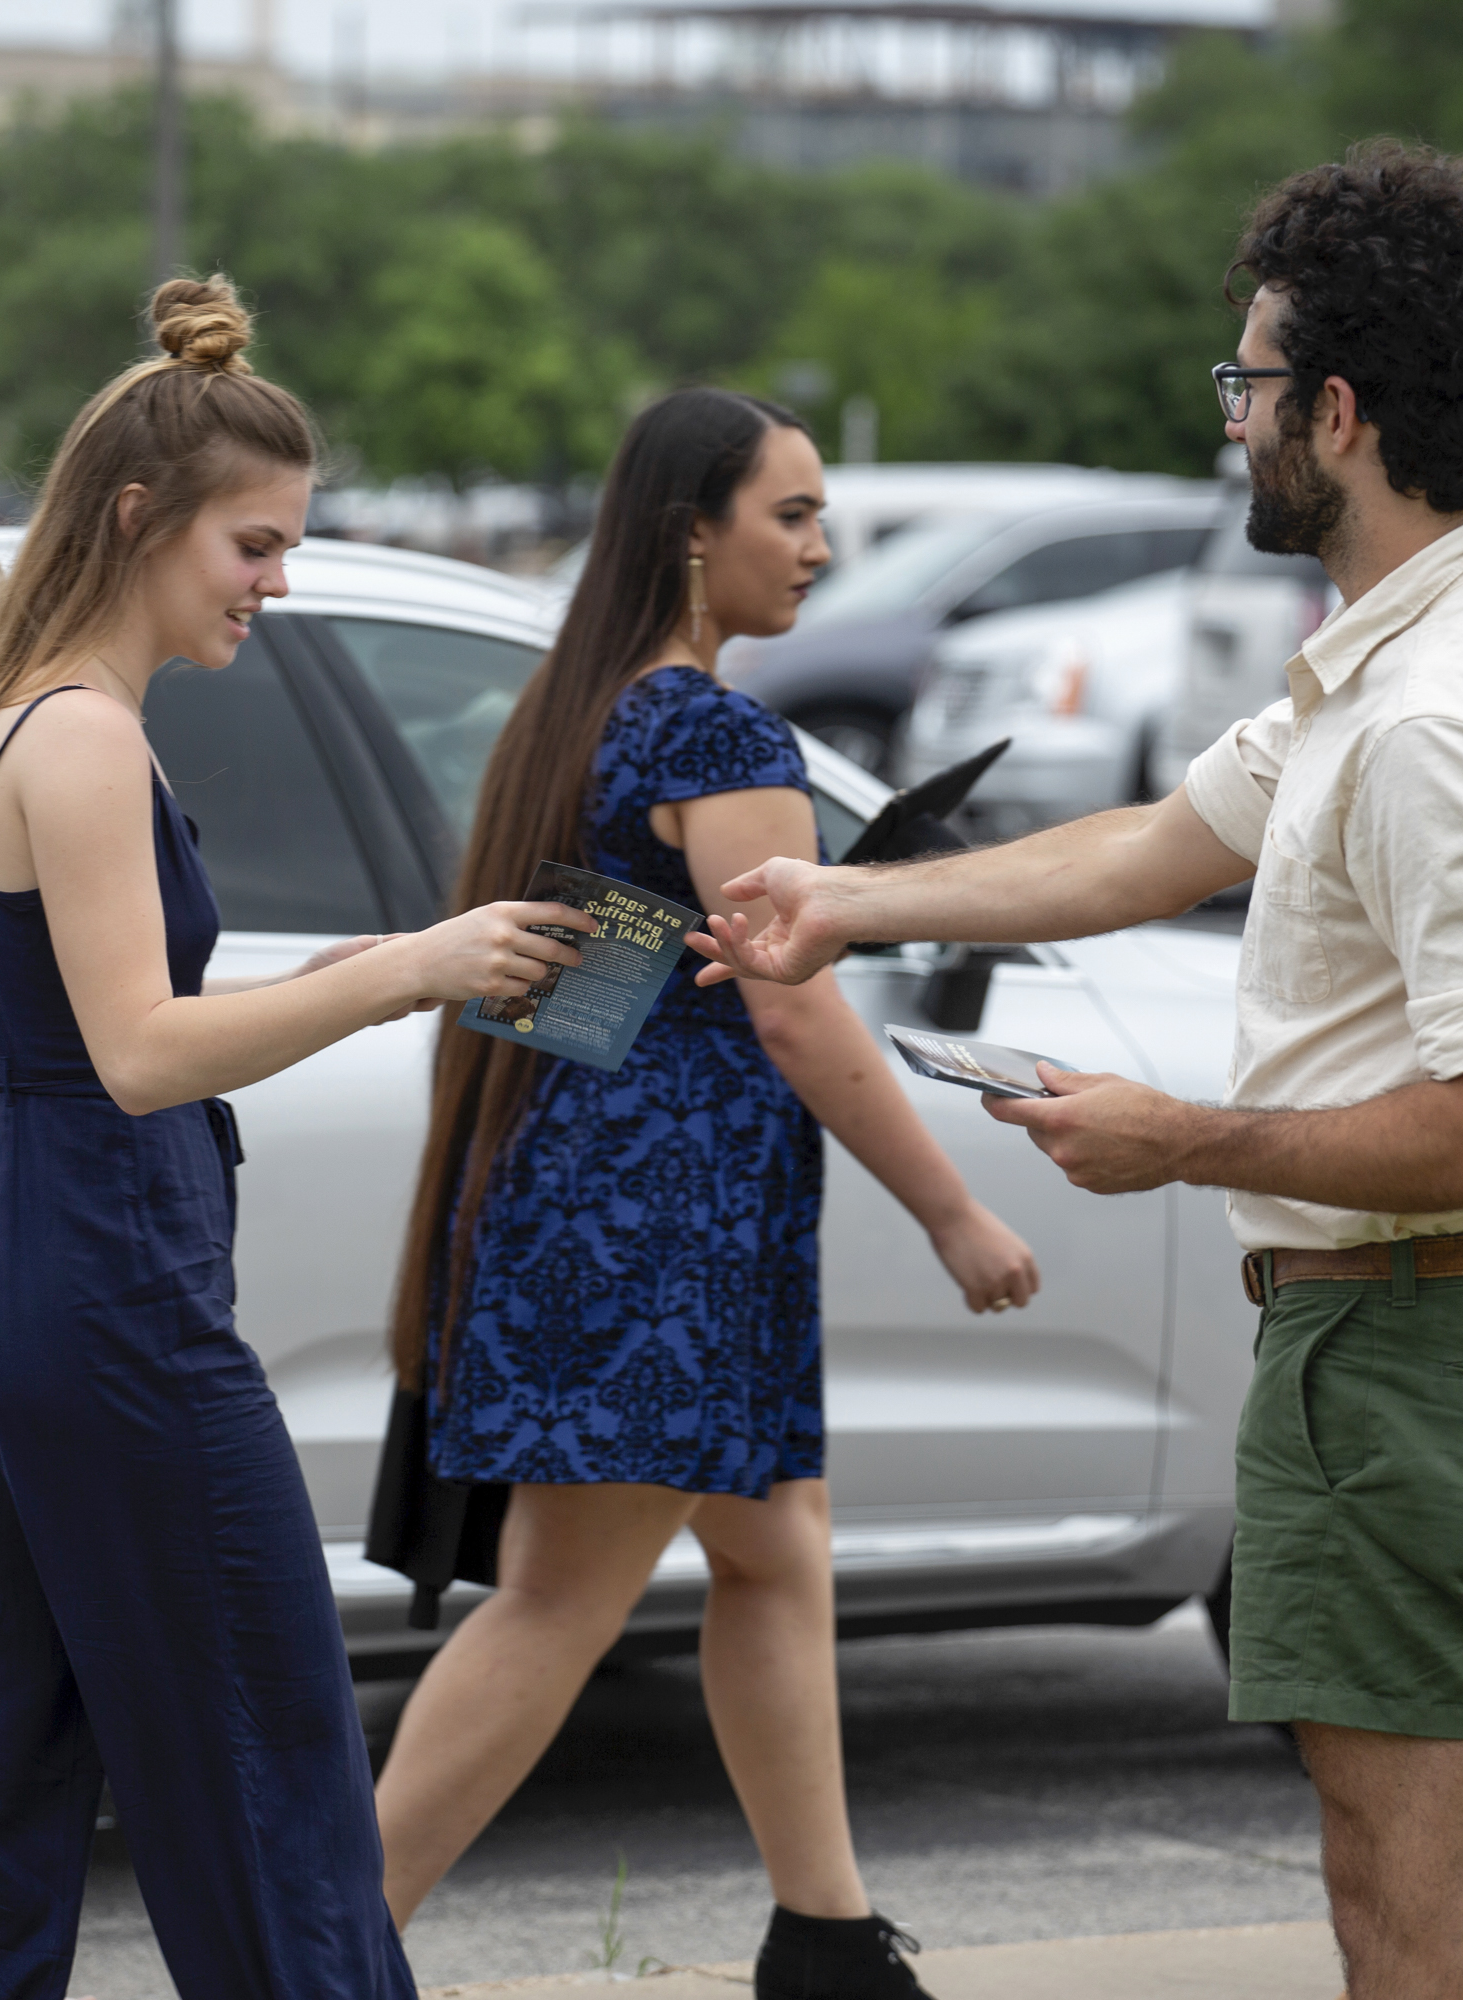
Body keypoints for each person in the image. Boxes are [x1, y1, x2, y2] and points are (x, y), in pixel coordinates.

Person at [691, 142, 1463, 2000]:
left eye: (1249, 385)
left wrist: (1180, 1138)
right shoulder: (1461, 644)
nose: (1233, 423)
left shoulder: (1439, 721)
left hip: (1423, 1357)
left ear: (1342, 411)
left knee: (1416, 1918)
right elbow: (1153, 845)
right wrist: (846, 901)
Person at [0, 275, 590, 1999]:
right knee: (268, 1760)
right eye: (254, 543)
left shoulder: (23, 717)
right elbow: (140, 1054)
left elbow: (78, 1015)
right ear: (138, 518)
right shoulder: (86, 737)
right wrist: (409, 970)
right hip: (102, 1283)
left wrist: (334, 974)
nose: (278, 579)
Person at [365, 387, 1040, 1996]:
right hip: (662, 1224)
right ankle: (315, 1952)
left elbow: (586, 995)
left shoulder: (588, 711)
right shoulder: (715, 731)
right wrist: (955, 1208)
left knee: (774, 1546)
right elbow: (793, 1004)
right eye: (790, 515)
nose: (822, 546)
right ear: (693, 532)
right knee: (557, 1603)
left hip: (608, 1194)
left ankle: (824, 1936)